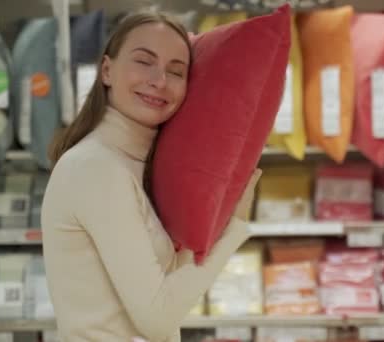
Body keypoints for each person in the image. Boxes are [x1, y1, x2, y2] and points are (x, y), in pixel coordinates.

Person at [41, 11, 261, 342]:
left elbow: (167, 279)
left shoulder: (136, 164)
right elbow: (157, 318)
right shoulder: (97, 169)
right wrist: (234, 229)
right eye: (144, 62)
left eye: (176, 71)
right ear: (106, 70)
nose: (159, 80)